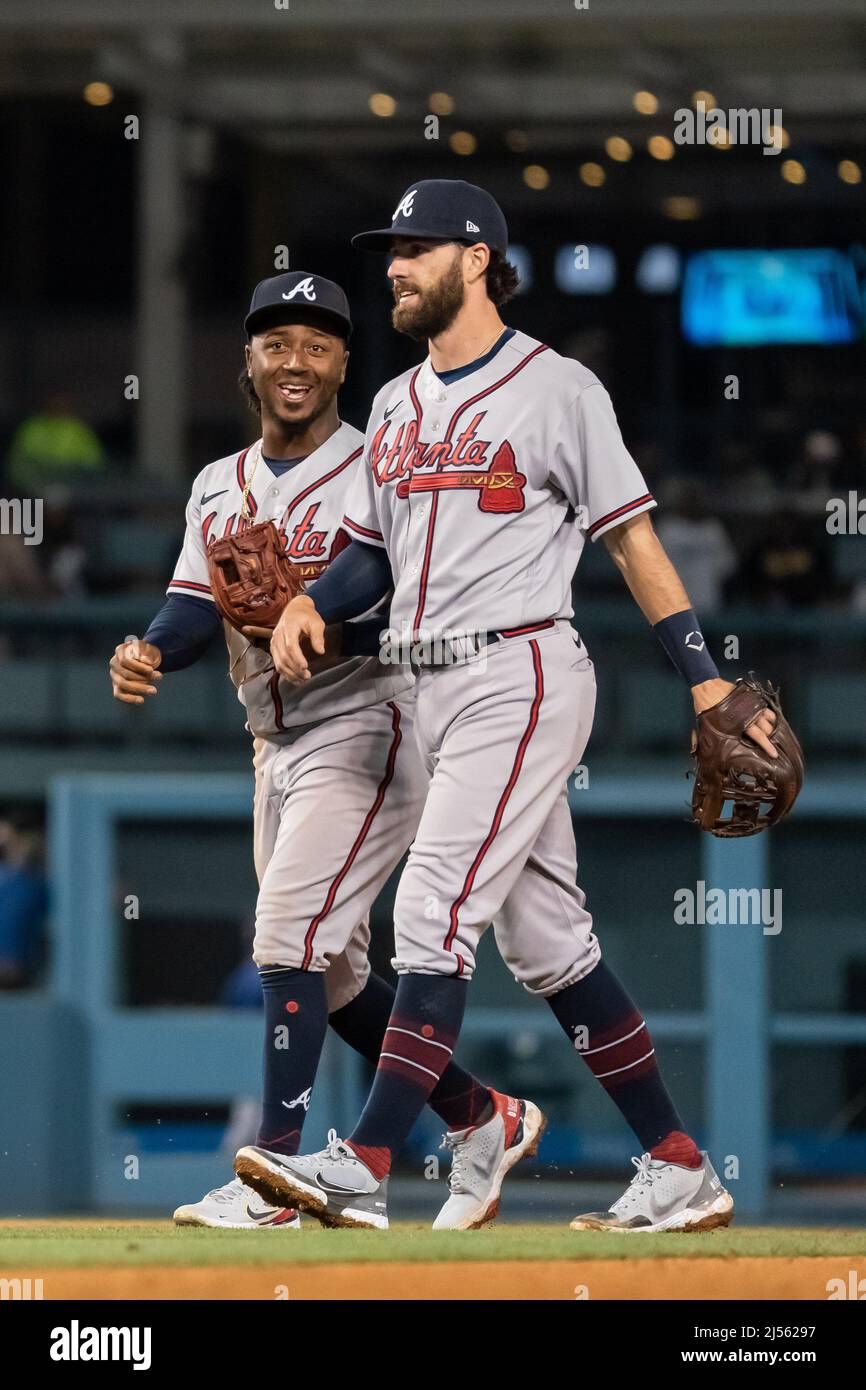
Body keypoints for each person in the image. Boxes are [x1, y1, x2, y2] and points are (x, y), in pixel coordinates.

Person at [236, 181, 778, 1233]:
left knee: (429, 911)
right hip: (421, 681)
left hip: (518, 669)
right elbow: (365, 553)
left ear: (476, 257)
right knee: (547, 944)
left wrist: (703, 677)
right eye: (389, 250)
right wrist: (312, 601)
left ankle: (367, 1157)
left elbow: (629, 537)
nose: (392, 266)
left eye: (414, 249)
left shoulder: (556, 389)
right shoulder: (392, 403)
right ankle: (676, 1164)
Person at [110, 271, 543, 1232]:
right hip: (272, 741)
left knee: (285, 938)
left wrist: (328, 618)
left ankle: (278, 1174)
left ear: (347, 360)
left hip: (368, 721)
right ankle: (481, 1115)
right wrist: (149, 647)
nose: (295, 360)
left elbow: (415, 600)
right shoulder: (217, 485)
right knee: (334, 969)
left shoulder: (378, 463)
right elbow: (191, 604)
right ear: (250, 362)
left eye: (317, 342)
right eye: (276, 342)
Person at [6, 392, 106, 492]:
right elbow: (18, 465)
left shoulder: (78, 430)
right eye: (53, 404)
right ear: (45, 406)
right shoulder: (31, 429)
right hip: (33, 488)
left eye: (61, 404)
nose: (57, 408)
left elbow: (94, 464)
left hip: (74, 489)